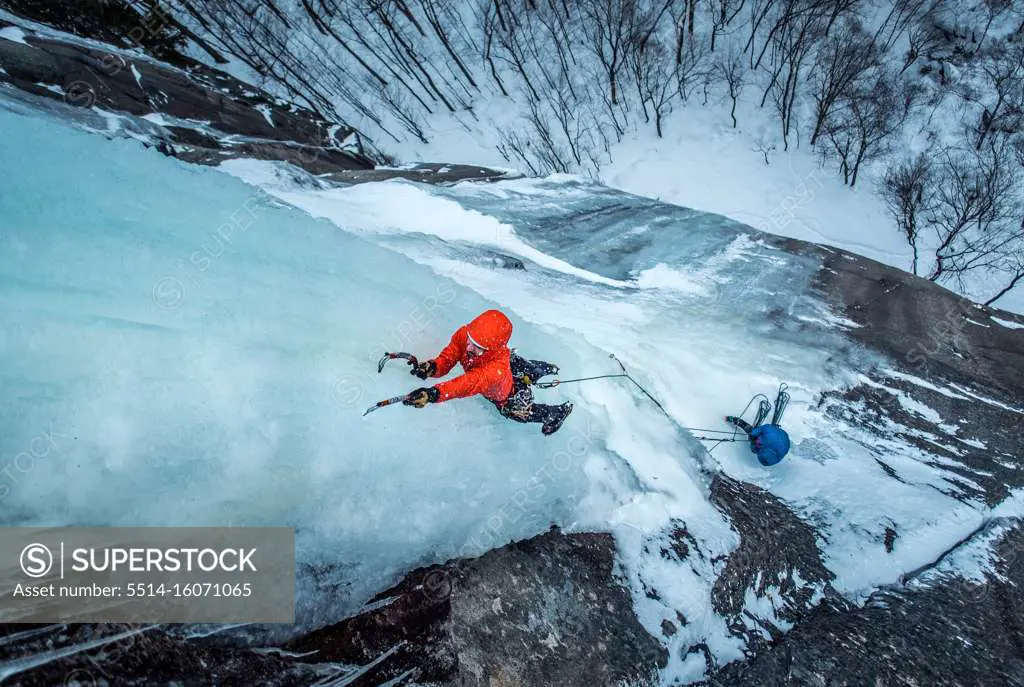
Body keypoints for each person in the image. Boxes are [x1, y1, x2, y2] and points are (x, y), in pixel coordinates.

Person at [403, 309, 574, 436]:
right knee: (518, 365)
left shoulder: (494, 370)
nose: (469, 347)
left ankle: (556, 412)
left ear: (492, 349)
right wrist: (433, 367)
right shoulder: (465, 335)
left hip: (507, 393)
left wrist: (434, 394)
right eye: (470, 340)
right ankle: (535, 369)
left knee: (516, 412)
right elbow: (449, 356)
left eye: (478, 347)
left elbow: (469, 383)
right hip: (506, 364)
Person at [724, 384, 791, 466]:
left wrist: (754, 447)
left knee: (754, 444)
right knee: (752, 433)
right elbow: (766, 427)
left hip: (782, 439)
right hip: (774, 435)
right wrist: (753, 434)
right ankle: (737, 421)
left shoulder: (774, 459)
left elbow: (757, 450)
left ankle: (753, 436)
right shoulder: (769, 435)